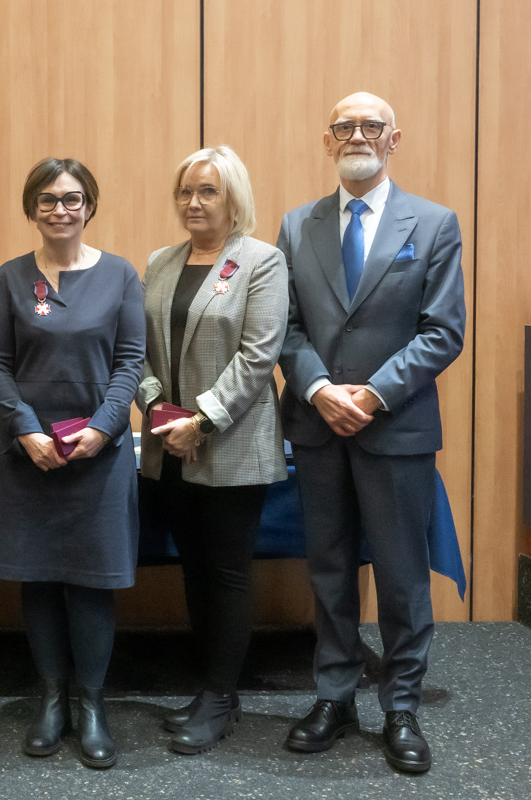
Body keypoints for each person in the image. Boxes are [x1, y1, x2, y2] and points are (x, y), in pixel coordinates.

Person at [277, 92, 466, 774]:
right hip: (319, 424)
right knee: (328, 569)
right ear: (328, 142)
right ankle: (334, 697)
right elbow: (285, 326)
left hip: (398, 427)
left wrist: (373, 393)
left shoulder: (435, 224)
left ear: (394, 139)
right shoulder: (296, 226)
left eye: (371, 126)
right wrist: (321, 389)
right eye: (344, 126)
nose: (357, 134)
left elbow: (443, 331)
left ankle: (402, 706)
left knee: (401, 574)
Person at [0, 158, 145, 769]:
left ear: (90, 206)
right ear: (32, 209)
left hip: (99, 457)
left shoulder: (121, 275)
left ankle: (92, 705)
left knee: (92, 580)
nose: (60, 210)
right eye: (47, 200)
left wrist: (104, 428)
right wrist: (24, 428)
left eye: (72, 199)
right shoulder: (9, 278)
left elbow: (131, 360)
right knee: (40, 576)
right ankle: (51, 700)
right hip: (30, 454)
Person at [136, 146, 288, 754]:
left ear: (234, 198)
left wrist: (200, 421)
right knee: (193, 566)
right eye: (185, 191)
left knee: (226, 571)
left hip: (230, 441)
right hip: (168, 443)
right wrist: (156, 409)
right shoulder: (161, 261)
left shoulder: (261, 261)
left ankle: (222, 696)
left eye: (208, 191)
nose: (193, 202)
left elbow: (258, 356)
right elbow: (137, 348)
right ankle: (210, 686)